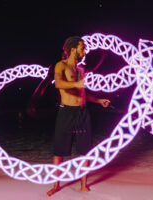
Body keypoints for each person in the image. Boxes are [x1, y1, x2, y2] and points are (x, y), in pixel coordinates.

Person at [47, 36, 110, 196]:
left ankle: (83, 184)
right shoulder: (60, 65)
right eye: (82, 47)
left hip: (82, 112)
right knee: (59, 151)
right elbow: (59, 83)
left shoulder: (81, 69)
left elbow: (83, 92)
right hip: (66, 111)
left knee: (85, 150)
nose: (85, 51)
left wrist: (98, 100)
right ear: (73, 49)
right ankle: (56, 185)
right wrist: (76, 84)